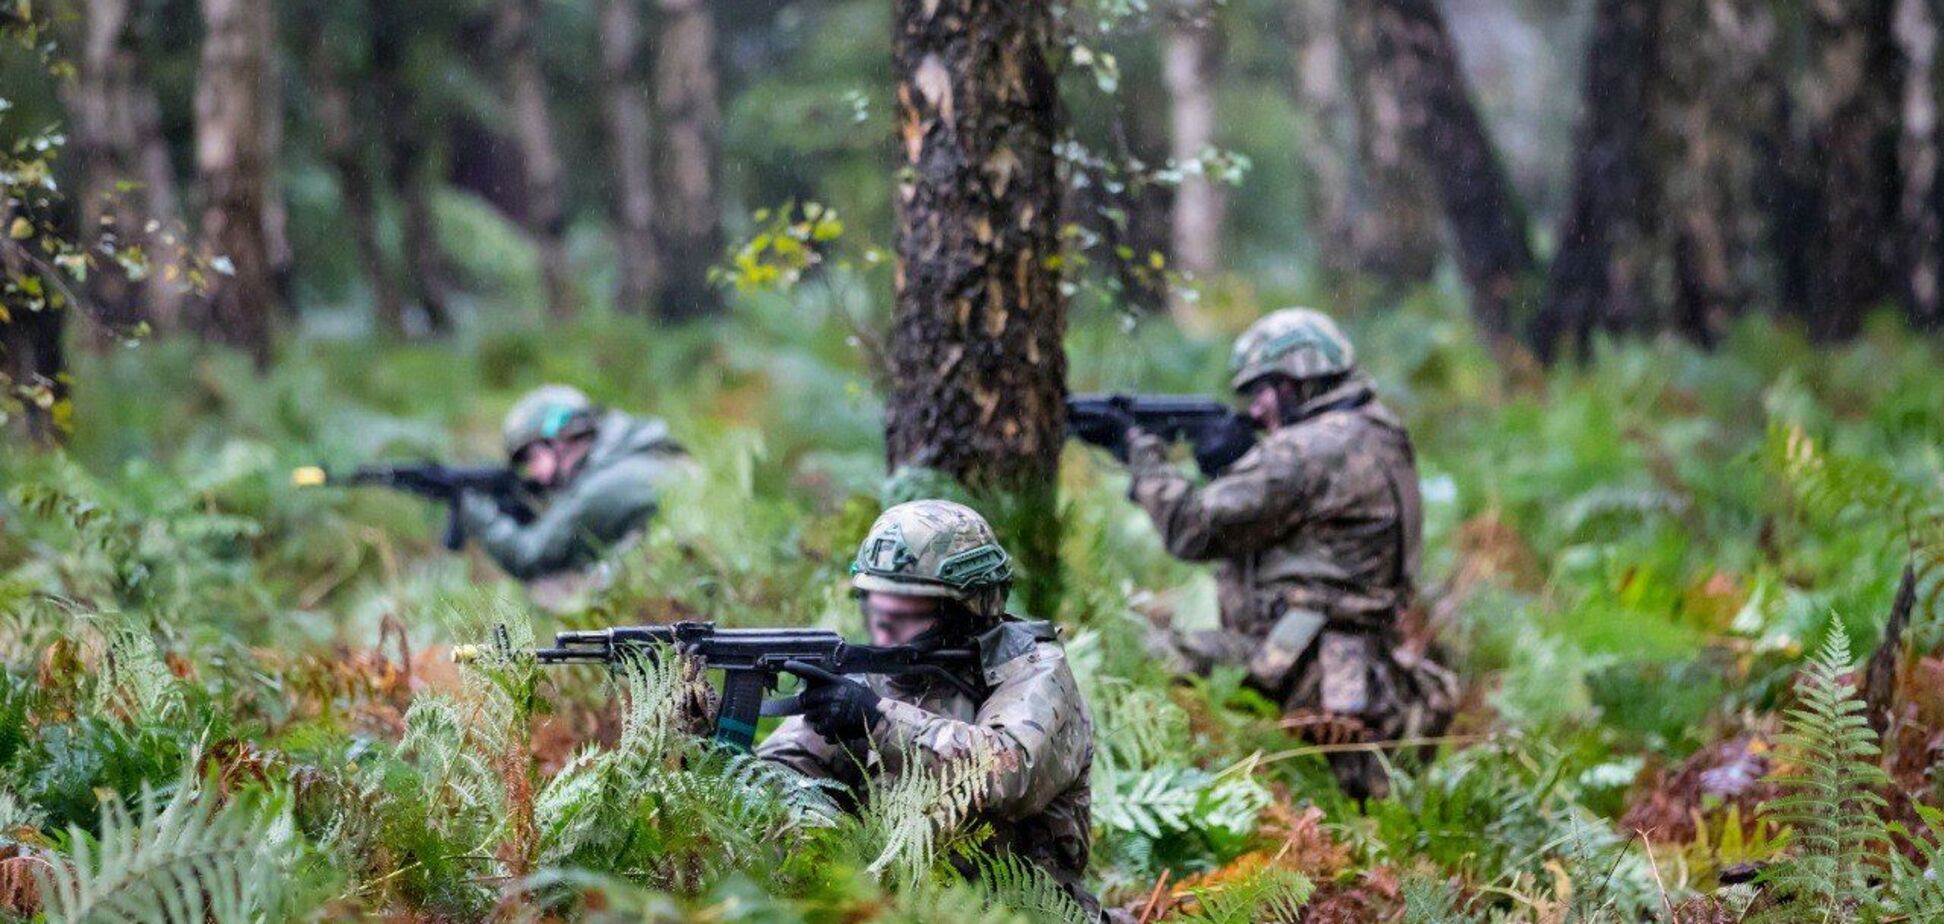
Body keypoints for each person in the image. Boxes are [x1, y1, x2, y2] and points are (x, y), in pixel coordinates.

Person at [1073, 307, 1455, 800]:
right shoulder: (1377, 430)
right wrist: (1234, 464)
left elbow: (1190, 529)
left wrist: (1140, 452)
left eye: (1261, 392)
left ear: (1295, 382)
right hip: (1355, 658)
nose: (1254, 412)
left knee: (1134, 654)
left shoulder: (1304, 451)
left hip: (1302, 664)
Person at [757, 500, 1099, 915]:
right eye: (876, 611)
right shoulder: (886, 670)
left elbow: (1005, 771)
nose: (884, 635)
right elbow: (783, 766)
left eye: (906, 616)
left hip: (1023, 911)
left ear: (965, 612)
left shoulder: (1035, 671)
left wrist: (878, 721)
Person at [459, 384, 686, 611]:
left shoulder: (602, 488)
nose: (533, 473)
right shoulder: (638, 459)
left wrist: (480, 517)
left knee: (546, 587)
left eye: (533, 457)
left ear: (562, 438)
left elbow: (529, 556)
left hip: (670, 601)